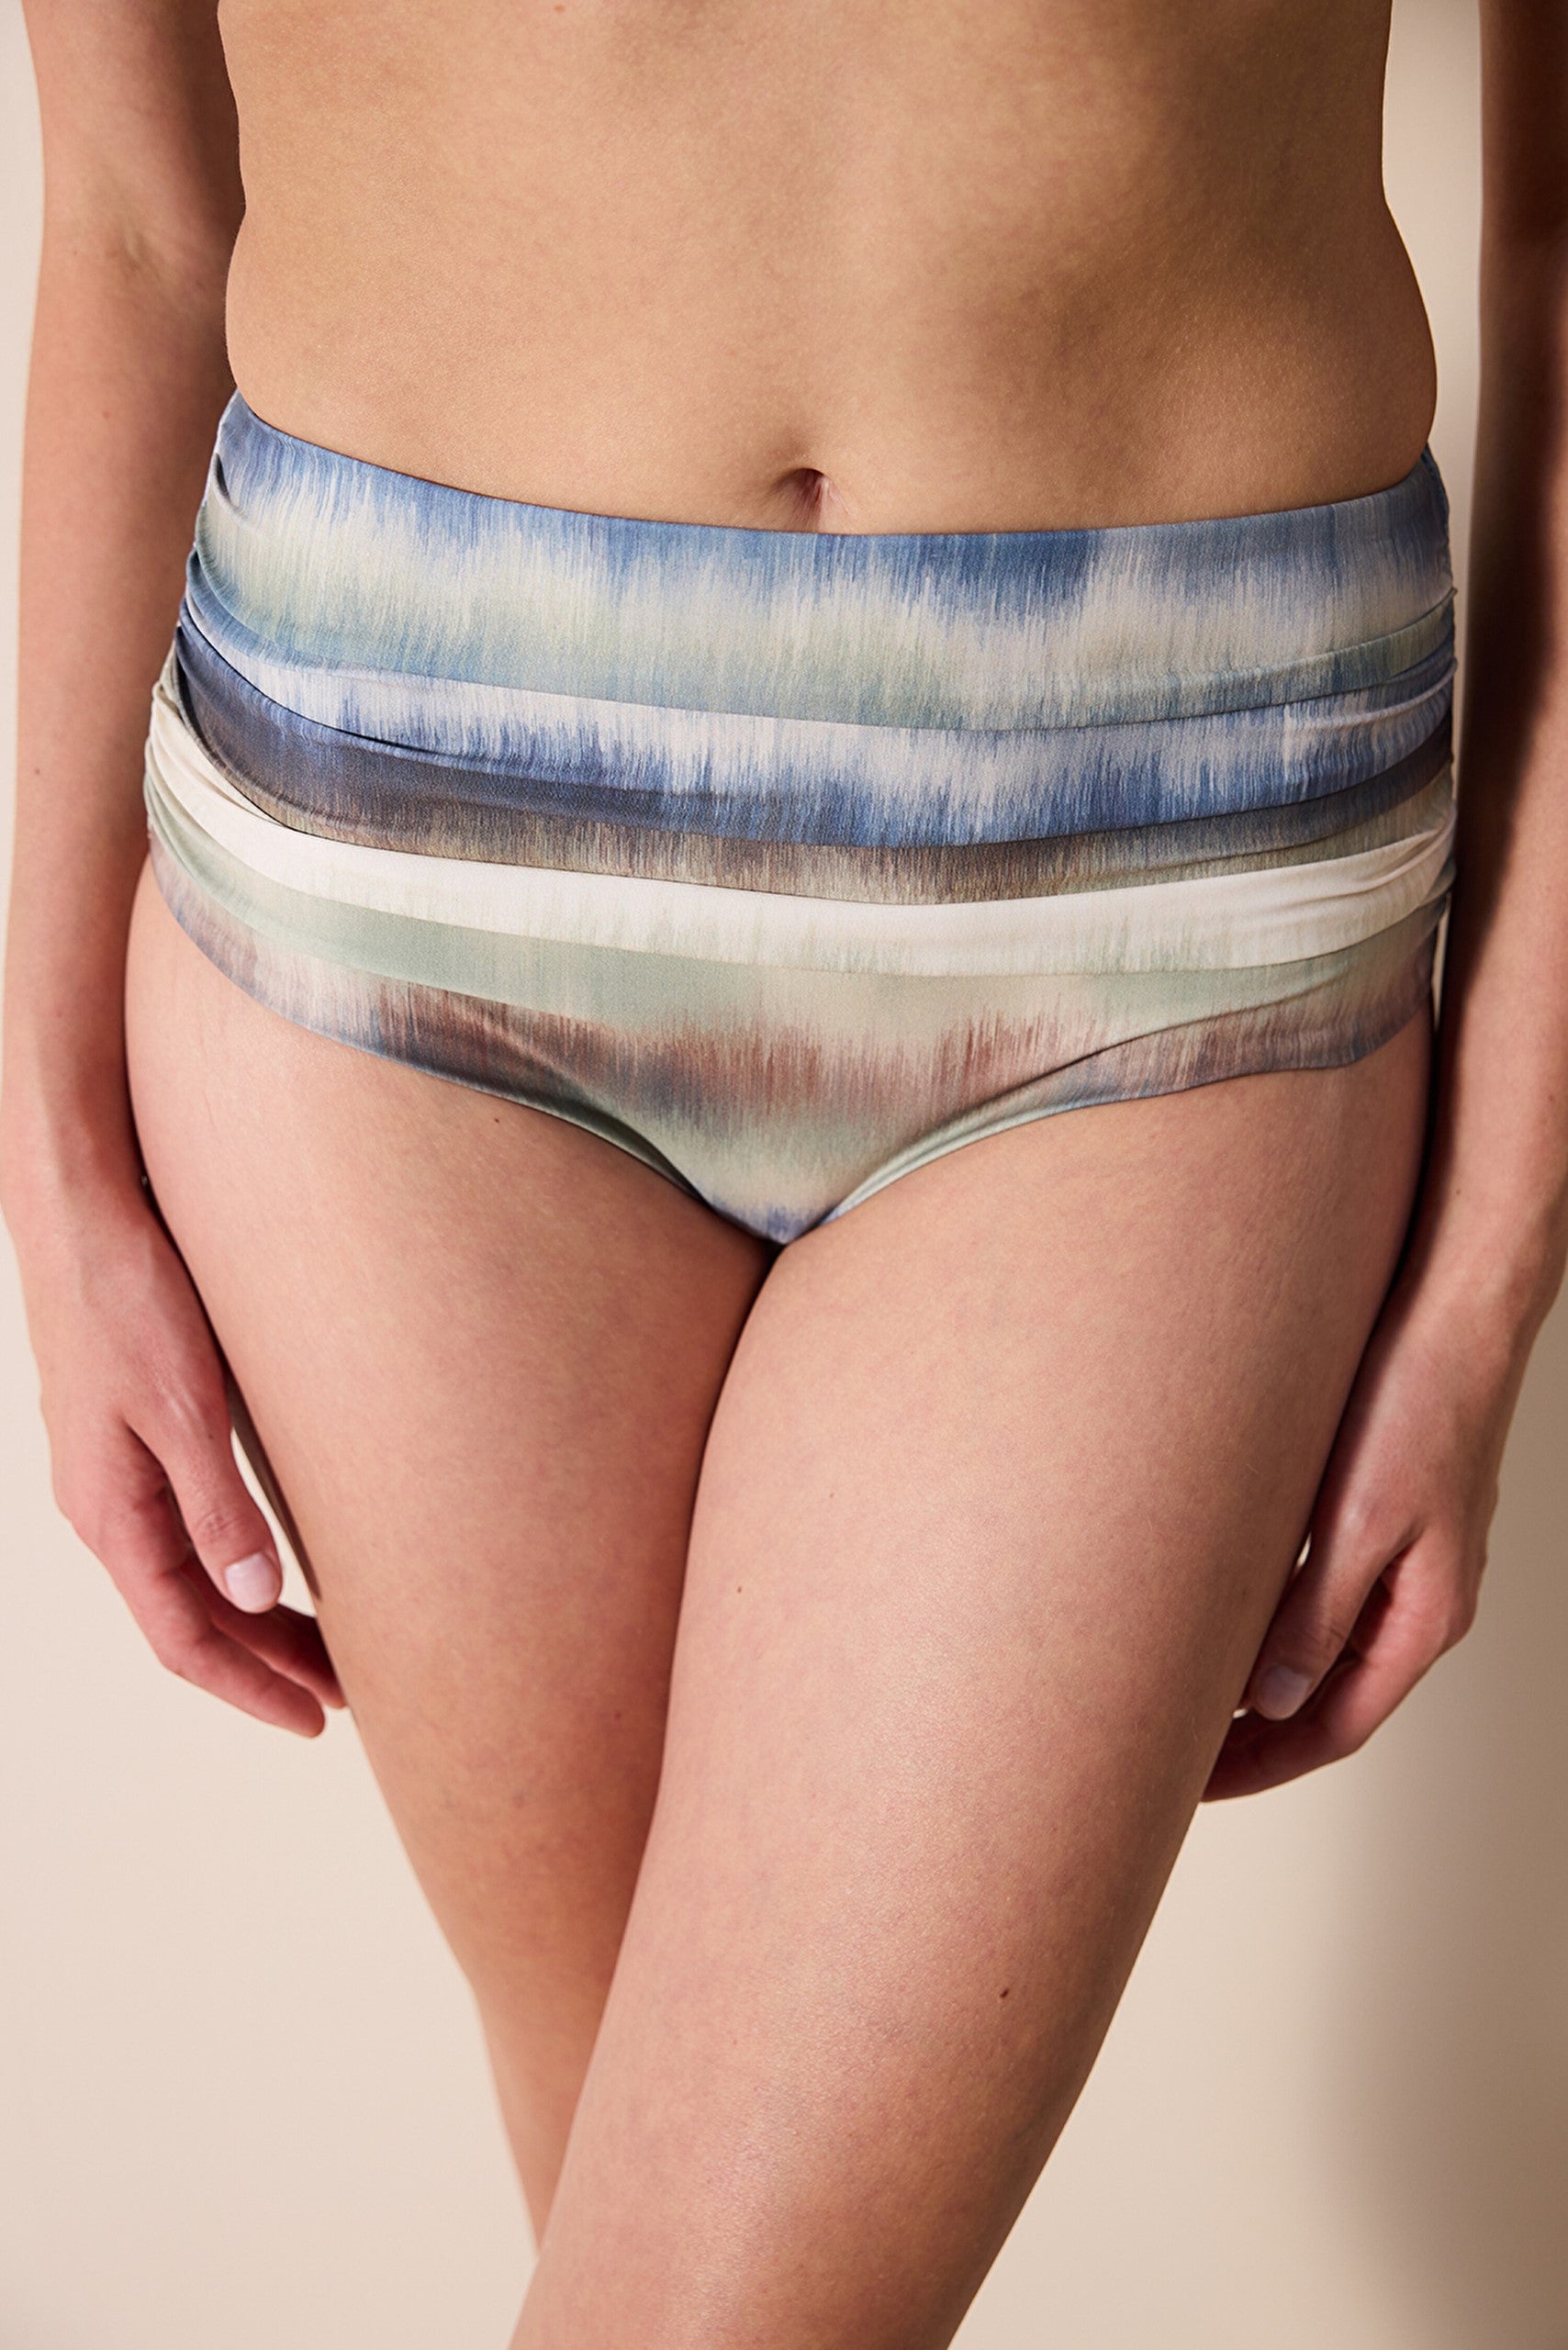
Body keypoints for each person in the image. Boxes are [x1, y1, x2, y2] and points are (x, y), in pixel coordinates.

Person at [3, 0, 1563, 2339]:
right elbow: (137, 219)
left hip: (1164, 905)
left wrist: (1493, 1255)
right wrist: (46, 1151)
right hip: (395, 885)